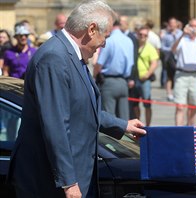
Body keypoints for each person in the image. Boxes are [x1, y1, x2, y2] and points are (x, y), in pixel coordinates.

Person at [7, 1, 146, 198]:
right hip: (49, 182)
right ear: (91, 29)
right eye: (104, 37)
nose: (104, 44)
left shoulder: (71, 55)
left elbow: (81, 108)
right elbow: (56, 124)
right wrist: (68, 181)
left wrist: (122, 125)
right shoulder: (54, 58)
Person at [94, 17, 134, 120]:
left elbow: (99, 64)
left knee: (109, 119)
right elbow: (131, 64)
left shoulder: (109, 41)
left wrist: (94, 77)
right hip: (123, 82)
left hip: (109, 82)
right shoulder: (129, 40)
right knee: (124, 120)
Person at [171, 18, 196, 126]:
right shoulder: (182, 39)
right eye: (191, 25)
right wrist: (182, 34)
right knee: (179, 106)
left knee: (194, 106)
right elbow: (172, 50)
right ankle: (178, 130)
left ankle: (190, 129)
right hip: (181, 75)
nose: (193, 28)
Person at [133, 26, 159, 126]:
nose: (142, 37)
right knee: (134, 104)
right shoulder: (133, 46)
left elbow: (154, 63)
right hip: (134, 79)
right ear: (137, 34)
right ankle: (137, 123)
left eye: (145, 35)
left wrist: (147, 74)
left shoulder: (150, 48)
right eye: (140, 34)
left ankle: (148, 126)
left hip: (145, 80)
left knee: (147, 104)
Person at [161, 17, 183, 100]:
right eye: (170, 23)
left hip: (179, 58)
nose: (172, 25)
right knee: (169, 76)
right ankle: (169, 93)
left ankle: (177, 93)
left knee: (178, 76)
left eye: (173, 23)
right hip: (169, 58)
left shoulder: (181, 33)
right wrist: (171, 49)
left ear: (176, 24)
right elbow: (162, 47)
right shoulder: (166, 35)